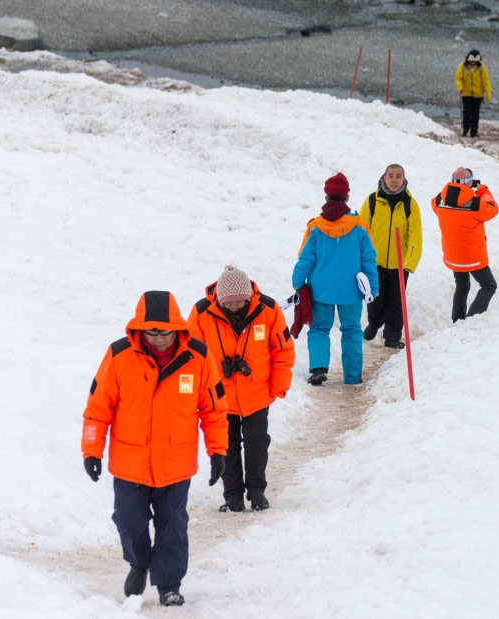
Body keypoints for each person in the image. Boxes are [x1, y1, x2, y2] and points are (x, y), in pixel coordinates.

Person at [81, 291, 228, 607]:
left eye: (165, 331)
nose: (159, 338)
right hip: (130, 462)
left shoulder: (199, 357)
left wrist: (218, 451)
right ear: (139, 329)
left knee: (172, 525)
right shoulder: (119, 356)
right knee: (128, 521)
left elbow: (214, 409)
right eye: (151, 331)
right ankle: (139, 561)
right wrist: (91, 450)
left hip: (175, 463)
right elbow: (97, 408)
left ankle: (169, 584)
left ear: (177, 327)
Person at [187, 265, 294, 513]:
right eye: (229, 304)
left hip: (257, 393)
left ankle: (257, 491)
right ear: (220, 300)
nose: (234, 307)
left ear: (248, 297)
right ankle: (232, 496)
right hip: (220, 395)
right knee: (227, 445)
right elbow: (191, 357)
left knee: (257, 442)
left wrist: (279, 386)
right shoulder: (201, 313)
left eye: (239, 303)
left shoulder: (267, 309)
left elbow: (283, 350)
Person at [293, 173, 380, 386]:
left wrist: (297, 282)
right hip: (351, 292)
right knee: (351, 331)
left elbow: (304, 258)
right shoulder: (359, 226)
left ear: (326, 197)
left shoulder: (315, 227)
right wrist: (373, 287)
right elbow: (369, 258)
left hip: (321, 290)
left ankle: (318, 369)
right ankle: (352, 376)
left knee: (319, 329)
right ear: (347, 197)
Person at [360, 164, 423, 349]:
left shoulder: (410, 204)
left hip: (400, 263)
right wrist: (363, 258)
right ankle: (374, 323)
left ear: (404, 178)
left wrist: (410, 262)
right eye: (391, 176)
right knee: (376, 298)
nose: (394, 180)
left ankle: (393, 335)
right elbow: (362, 231)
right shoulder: (372, 200)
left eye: (398, 176)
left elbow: (415, 235)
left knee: (397, 300)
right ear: (384, 177)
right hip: (375, 262)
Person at [432, 167, 499, 322]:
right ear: (469, 183)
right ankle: (471, 320)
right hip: (473, 257)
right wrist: (483, 191)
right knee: (489, 285)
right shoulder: (476, 203)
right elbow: (493, 209)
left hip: (453, 256)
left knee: (462, 286)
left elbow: (434, 204)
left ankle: (457, 320)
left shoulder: (439, 200)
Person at [454, 50, 492, 138]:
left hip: (478, 95)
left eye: (474, 62)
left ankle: (474, 133)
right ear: (468, 60)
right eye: (471, 62)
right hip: (466, 94)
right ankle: (465, 130)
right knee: (467, 112)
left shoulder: (482, 67)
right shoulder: (462, 66)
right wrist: (460, 88)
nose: (472, 64)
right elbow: (458, 78)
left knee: (475, 114)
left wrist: (488, 93)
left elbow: (486, 81)